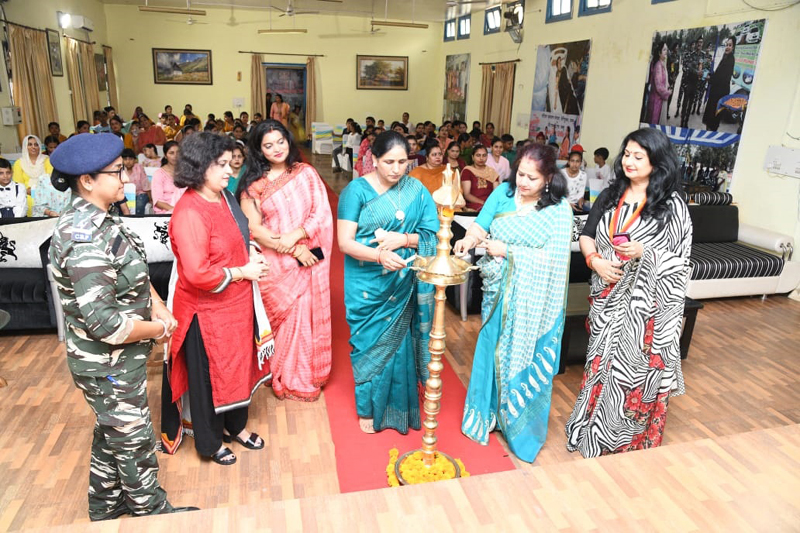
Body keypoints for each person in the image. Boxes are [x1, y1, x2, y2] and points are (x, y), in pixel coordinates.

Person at [47, 133, 197, 519]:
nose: (125, 179)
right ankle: (152, 511)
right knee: (133, 438)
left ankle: (105, 507)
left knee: (110, 431)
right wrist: (160, 329)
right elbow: (106, 324)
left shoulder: (104, 221)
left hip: (120, 359)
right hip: (106, 363)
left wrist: (159, 304)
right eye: (116, 173)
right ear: (87, 181)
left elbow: (129, 270)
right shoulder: (82, 237)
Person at [565, 127, 693, 458]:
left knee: (631, 375)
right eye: (627, 154)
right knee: (599, 365)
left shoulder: (671, 205)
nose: (630, 161)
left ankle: (624, 439)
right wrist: (595, 261)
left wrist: (645, 253)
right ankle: (589, 430)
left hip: (646, 311)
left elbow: (680, 260)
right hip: (608, 298)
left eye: (639, 156)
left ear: (657, 161)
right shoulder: (611, 194)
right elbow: (587, 233)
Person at [456, 143, 572, 462]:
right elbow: (481, 225)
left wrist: (509, 252)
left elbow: (554, 261)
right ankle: (486, 414)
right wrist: (468, 240)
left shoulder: (559, 209)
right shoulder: (503, 195)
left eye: (531, 178)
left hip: (534, 305)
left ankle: (518, 427)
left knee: (523, 357)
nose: (522, 182)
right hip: (497, 293)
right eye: (520, 173)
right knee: (490, 348)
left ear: (548, 178)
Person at [163, 132, 271, 466]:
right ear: (198, 166)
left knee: (237, 367)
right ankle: (209, 443)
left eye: (229, 163)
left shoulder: (222, 196)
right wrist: (243, 272)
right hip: (205, 312)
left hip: (235, 306)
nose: (229, 170)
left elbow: (238, 233)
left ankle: (235, 427)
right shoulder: (190, 212)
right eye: (220, 164)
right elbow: (196, 273)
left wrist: (248, 249)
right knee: (210, 378)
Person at [337, 131, 439, 434]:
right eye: (388, 162)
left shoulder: (417, 191)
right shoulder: (355, 191)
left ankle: (399, 408)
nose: (396, 169)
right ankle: (367, 409)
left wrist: (405, 239)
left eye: (403, 162)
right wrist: (379, 256)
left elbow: (435, 237)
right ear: (373, 160)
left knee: (400, 344)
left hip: (403, 279)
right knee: (367, 345)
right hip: (366, 283)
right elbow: (344, 242)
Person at [238, 120, 333, 400]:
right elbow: (254, 228)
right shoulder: (252, 185)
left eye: (280, 141)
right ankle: (278, 372)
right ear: (258, 149)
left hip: (310, 251)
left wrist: (300, 235)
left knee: (305, 312)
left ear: (289, 140)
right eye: (268, 145)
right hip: (277, 261)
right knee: (287, 318)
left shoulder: (306, 173)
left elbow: (322, 213)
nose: (277, 149)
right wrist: (293, 249)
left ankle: (301, 376)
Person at [13, 135, 53, 216]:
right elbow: (17, 183)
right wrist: (26, 191)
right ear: (25, 147)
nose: (33, 147)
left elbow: (51, 178)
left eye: (36, 144)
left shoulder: (47, 160)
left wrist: (39, 190)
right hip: (26, 195)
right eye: (30, 144)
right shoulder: (19, 163)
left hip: (46, 193)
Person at [703, 37, 736, 131]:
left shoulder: (730, 59)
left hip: (719, 95)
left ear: (733, 47)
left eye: (730, 45)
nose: (727, 47)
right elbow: (718, 73)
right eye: (726, 45)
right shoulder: (725, 57)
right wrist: (711, 75)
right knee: (710, 119)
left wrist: (711, 78)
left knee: (713, 120)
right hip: (715, 93)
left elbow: (721, 78)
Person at [461, 145, 499, 211]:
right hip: (474, 203)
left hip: (490, 203)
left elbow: (496, 193)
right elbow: (467, 194)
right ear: (473, 157)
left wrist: (491, 203)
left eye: (484, 155)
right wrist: (483, 203)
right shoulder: (467, 171)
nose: (481, 158)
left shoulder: (492, 172)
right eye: (478, 155)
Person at [151, 141, 183, 213]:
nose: (175, 156)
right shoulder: (159, 174)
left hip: (185, 210)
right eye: (171, 153)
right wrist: (176, 210)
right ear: (165, 156)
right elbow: (158, 201)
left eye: (178, 152)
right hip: (166, 212)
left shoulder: (186, 172)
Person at [647, 42, 672, 125]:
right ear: (659, 52)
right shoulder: (658, 66)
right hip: (656, 102)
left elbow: (664, 81)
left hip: (659, 100)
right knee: (653, 124)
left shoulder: (662, 64)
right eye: (664, 49)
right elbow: (659, 87)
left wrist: (667, 86)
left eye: (667, 49)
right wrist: (668, 92)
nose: (666, 51)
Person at [121, 148, 151, 215]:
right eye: (125, 159)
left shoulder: (139, 168)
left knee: (139, 205)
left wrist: (150, 199)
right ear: (122, 160)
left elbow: (145, 184)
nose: (128, 161)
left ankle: (138, 222)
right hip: (125, 195)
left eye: (131, 159)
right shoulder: (120, 169)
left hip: (140, 193)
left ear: (135, 160)